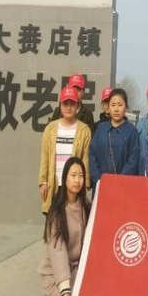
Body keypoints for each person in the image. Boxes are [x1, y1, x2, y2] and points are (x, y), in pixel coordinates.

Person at [38, 156, 102, 296]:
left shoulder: (85, 206)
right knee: (68, 294)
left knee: (96, 282)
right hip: (56, 274)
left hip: (77, 268)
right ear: (64, 178)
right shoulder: (56, 212)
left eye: (80, 175)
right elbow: (58, 253)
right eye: (73, 175)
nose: (77, 180)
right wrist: (65, 289)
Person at [38, 86, 91, 214]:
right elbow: (45, 157)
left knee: (72, 219)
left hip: (73, 183)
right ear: (60, 105)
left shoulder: (84, 130)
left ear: (77, 106)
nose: (69, 108)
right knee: (53, 220)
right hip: (54, 182)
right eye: (65, 104)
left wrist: (84, 183)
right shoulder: (50, 129)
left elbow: (85, 159)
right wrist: (43, 181)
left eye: (72, 104)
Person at [88, 88, 140, 187]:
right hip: (101, 185)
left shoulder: (131, 131)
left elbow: (133, 160)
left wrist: (119, 181)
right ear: (108, 107)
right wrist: (98, 179)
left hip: (123, 186)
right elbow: (92, 155)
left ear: (126, 107)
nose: (116, 109)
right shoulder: (101, 128)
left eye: (120, 105)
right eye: (113, 105)